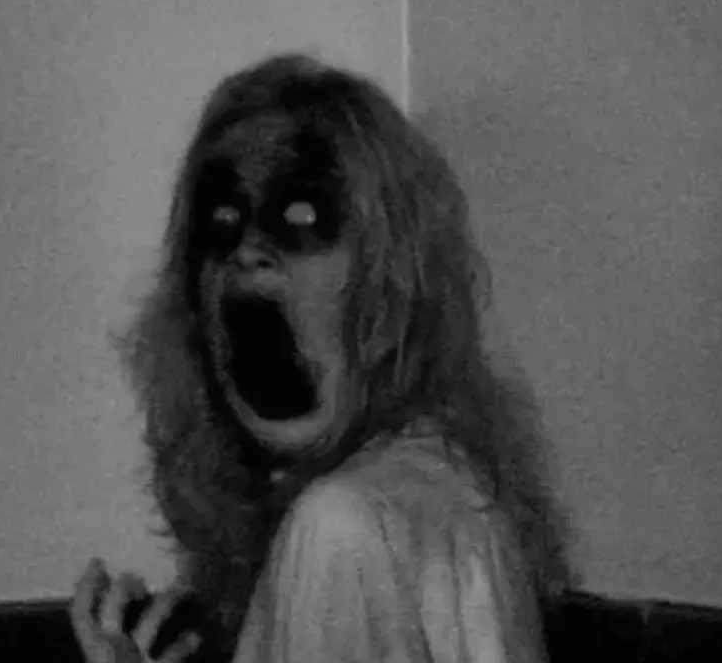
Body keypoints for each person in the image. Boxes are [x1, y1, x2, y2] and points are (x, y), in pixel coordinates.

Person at [70, 52, 571, 663]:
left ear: (387, 287)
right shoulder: (447, 495)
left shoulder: (343, 526)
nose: (249, 253)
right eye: (222, 225)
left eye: (302, 220)